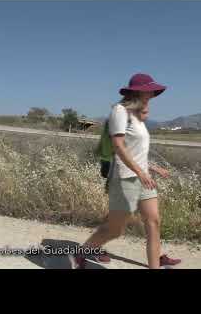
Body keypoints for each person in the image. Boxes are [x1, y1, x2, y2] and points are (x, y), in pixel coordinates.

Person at [72, 73, 181, 269]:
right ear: (137, 92)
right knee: (114, 230)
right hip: (125, 179)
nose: (152, 96)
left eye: (152, 92)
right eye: (149, 91)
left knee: (153, 222)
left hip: (142, 178)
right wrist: (140, 172)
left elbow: (136, 152)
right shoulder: (119, 111)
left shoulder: (138, 117)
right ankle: (82, 252)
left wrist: (153, 168)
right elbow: (119, 146)